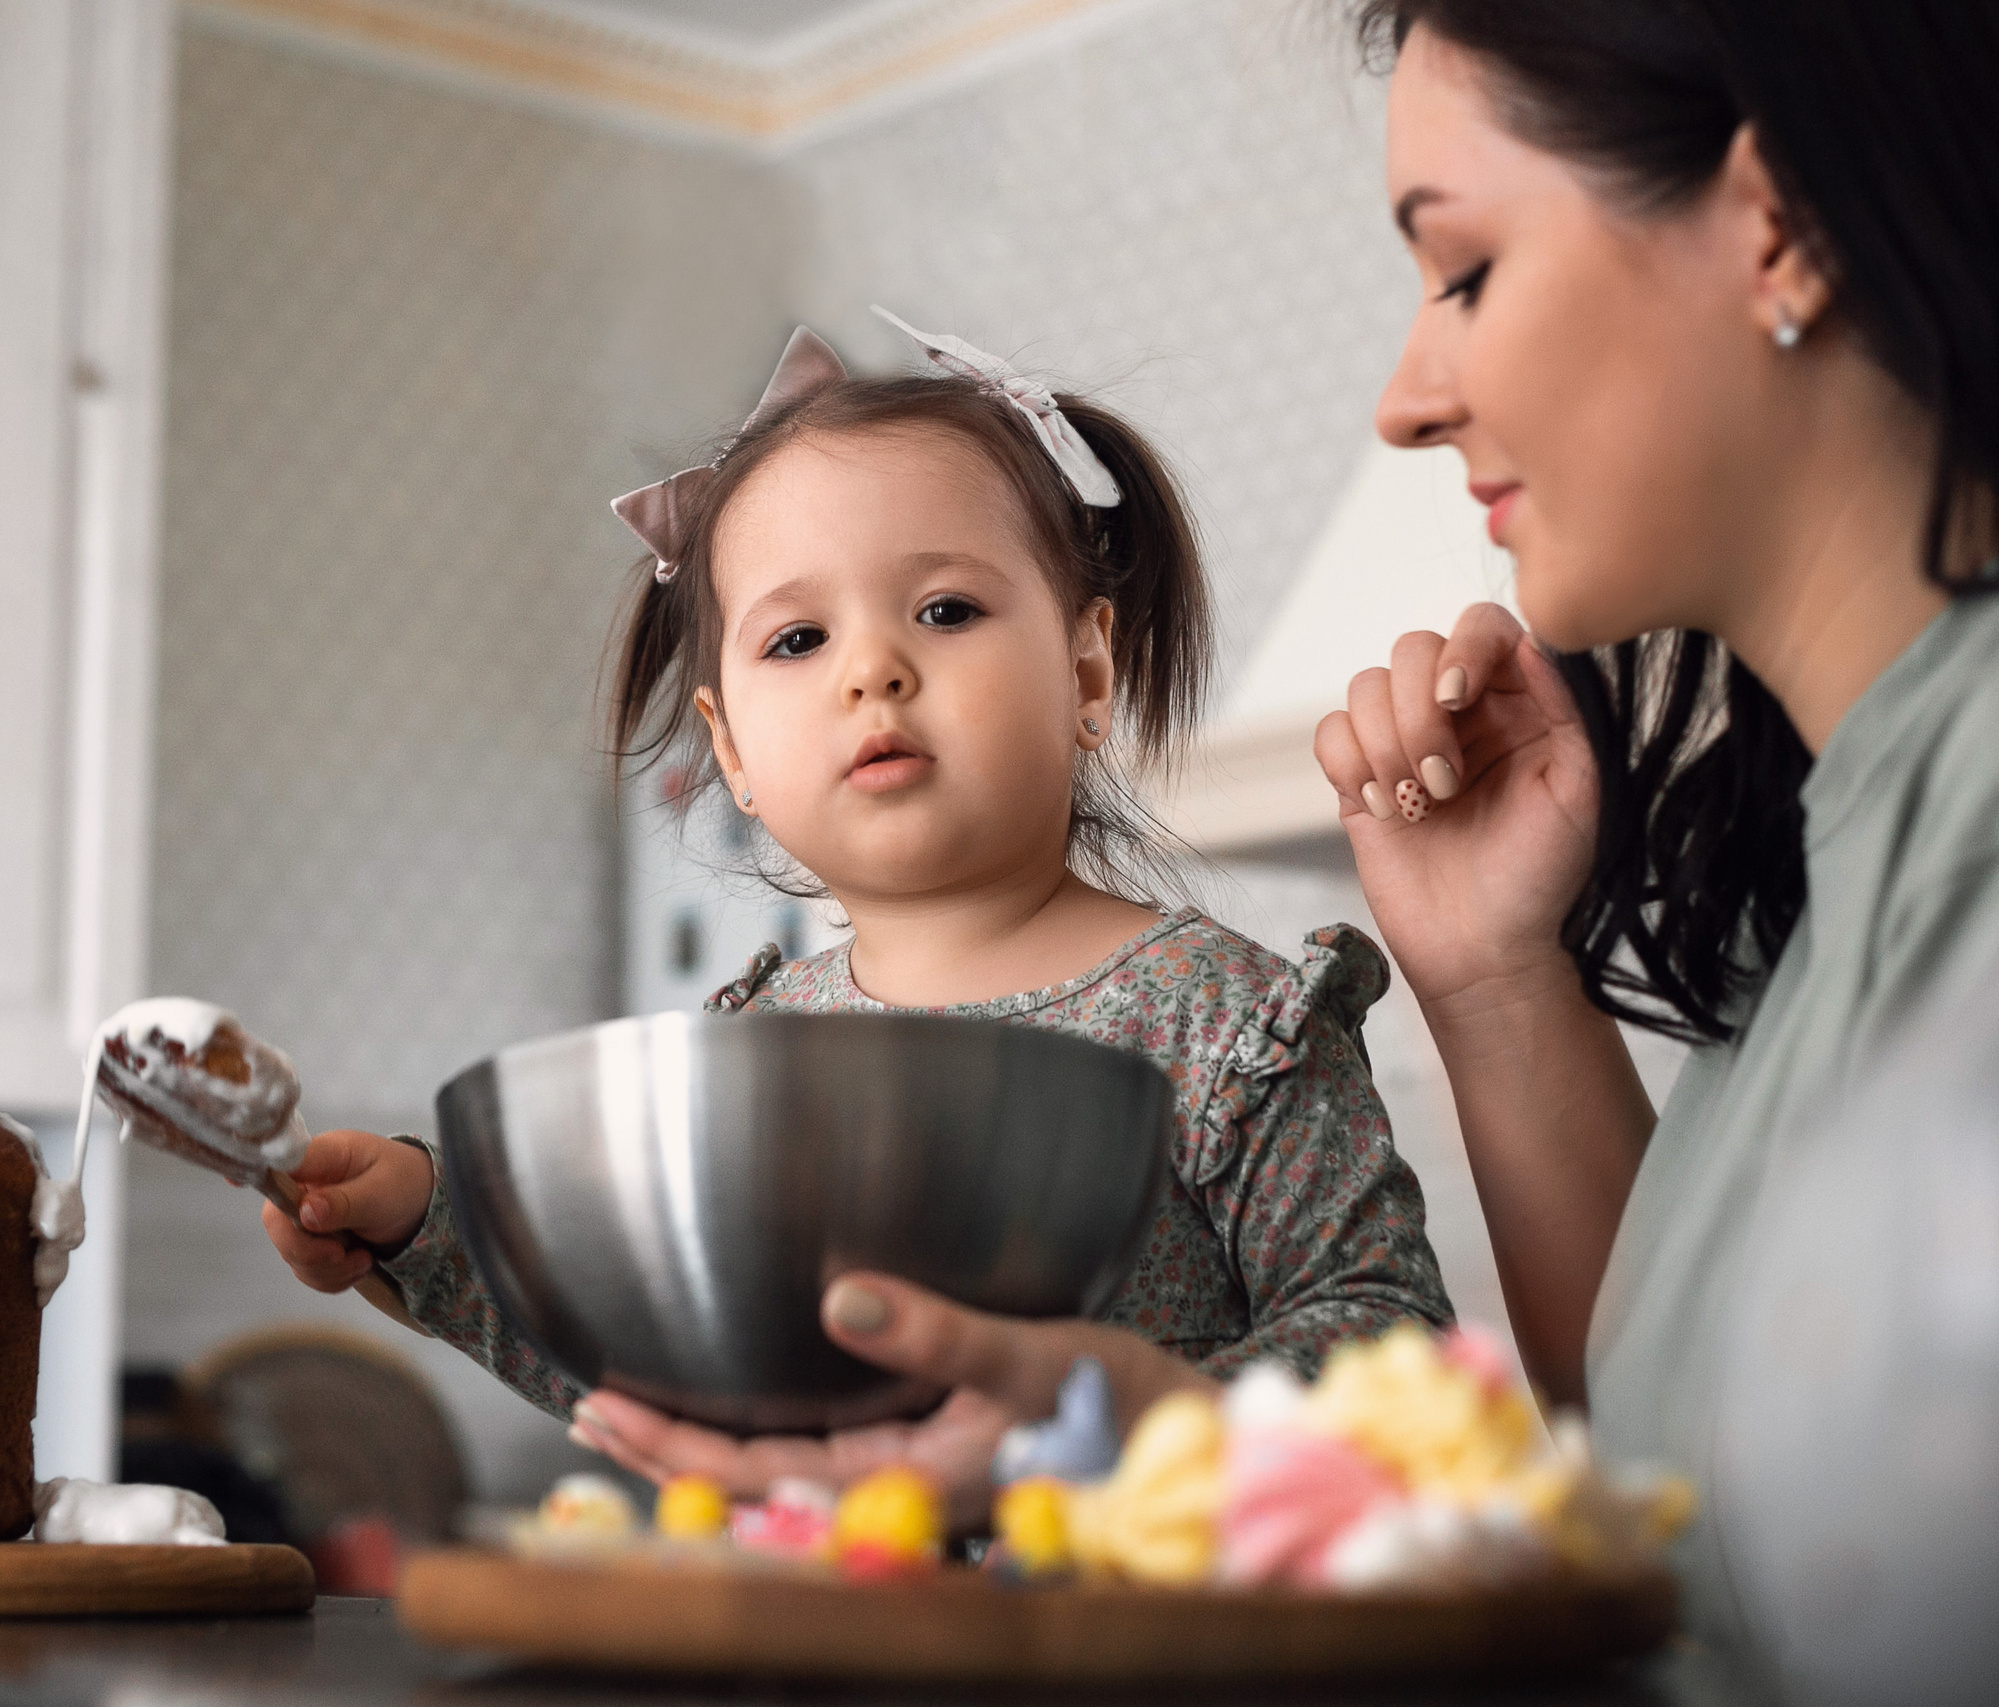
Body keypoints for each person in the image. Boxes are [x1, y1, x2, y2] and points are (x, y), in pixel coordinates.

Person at [595, 0, 1999, 1648]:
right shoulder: (1838, 835)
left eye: (1462, 273)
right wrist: (1496, 972)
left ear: (1776, 227)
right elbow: (1675, 1495)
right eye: (796, 638)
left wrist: (1156, 1431)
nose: (1406, 397)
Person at [261, 311, 1453, 1517]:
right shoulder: (748, 1059)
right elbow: (662, 1382)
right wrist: (421, 1223)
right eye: (796, 638)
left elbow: (1388, 1352)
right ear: (731, 751)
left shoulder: (1234, 1022)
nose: (869, 669)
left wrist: (1126, 1431)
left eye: (944, 611)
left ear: (1087, 673)